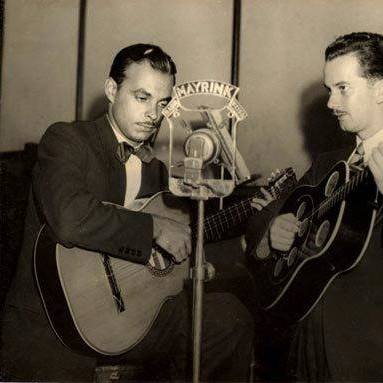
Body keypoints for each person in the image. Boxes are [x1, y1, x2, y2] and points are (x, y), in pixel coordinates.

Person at [0, 43, 254, 381]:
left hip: (127, 318)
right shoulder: (67, 140)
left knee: (227, 317)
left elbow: (169, 249)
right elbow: (70, 218)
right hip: (54, 320)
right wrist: (154, 228)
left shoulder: (162, 169)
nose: (153, 113)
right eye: (142, 97)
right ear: (111, 90)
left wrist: (190, 267)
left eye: (163, 103)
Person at [245, 32, 383, 381]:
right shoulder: (326, 163)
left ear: (381, 89)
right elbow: (268, 214)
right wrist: (273, 230)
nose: (331, 102)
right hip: (302, 342)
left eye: (343, 88)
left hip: (371, 358)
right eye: (330, 89)